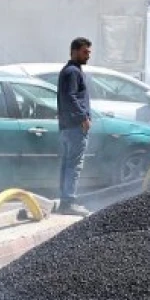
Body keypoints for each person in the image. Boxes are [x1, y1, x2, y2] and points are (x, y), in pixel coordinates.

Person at [55, 37, 93, 217]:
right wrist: (83, 117)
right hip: (74, 127)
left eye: (89, 52)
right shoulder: (72, 72)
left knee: (68, 164)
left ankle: (65, 200)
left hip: (67, 127)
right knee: (74, 166)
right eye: (85, 52)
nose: (88, 55)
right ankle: (68, 202)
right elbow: (70, 97)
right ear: (75, 51)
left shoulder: (70, 71)